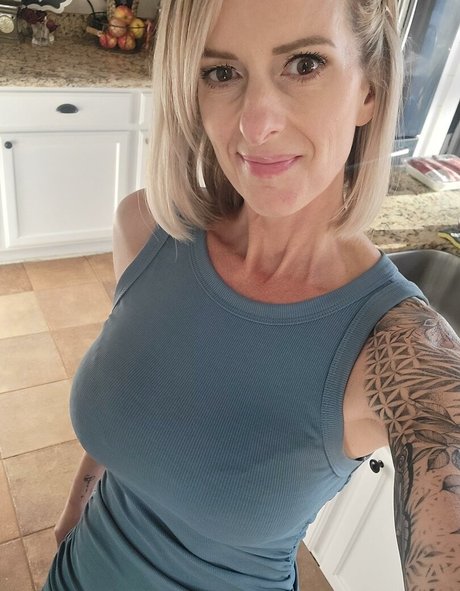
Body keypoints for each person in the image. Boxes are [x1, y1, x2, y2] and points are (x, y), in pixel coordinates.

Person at [42, 0, 460, 590]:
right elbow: (136, 397)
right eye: (221, 73)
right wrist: (75, 509)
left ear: (370, 88)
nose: (255, 124)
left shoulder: (398, 351)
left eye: (305, 63)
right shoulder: (146, 231)